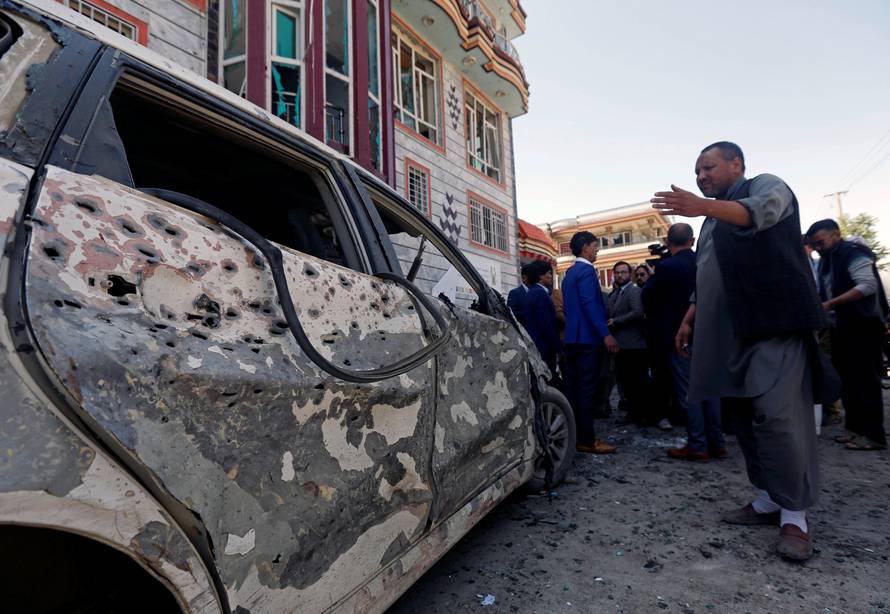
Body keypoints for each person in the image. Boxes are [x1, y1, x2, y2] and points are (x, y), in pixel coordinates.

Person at [651, 141, 825, 562]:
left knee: (780, 417)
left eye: (708, 167)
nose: (701, 177)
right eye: (697, 172)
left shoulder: (765, 185)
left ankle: (795, 516)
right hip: (729, 335)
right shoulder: (713, 219)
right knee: (744, 419)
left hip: (773, 324)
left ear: (736, 164)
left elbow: (760, 213)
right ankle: (767, 498)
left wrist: (701, 207)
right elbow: (710, 273)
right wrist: (689, 318)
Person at [643, 223, 725, 460]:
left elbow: (649, 298)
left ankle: (697, 444)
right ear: (692, 240)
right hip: (708, 333)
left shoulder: (666, 267)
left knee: (689, 392)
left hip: (680, 335)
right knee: (711, 390)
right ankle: (717, 442)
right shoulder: (704, 262)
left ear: (668, 242)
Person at [807, 218, 888, 451]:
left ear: (836, 235)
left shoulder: (853, 253)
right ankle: (855, 430)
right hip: (841, 327)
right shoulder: (827, 260)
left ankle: (873, 436)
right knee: (848, 382)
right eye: (814, 244)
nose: (818, 248)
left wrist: (831, 304)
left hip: (863, 327)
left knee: (865, 382)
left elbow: (867, 286)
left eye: (821, 242)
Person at [561, 231, 619, 454]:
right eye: (595, 246)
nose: (597, 250)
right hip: (587, 338)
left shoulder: (569, 273)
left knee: (574, 389)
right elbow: (589, 304)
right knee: (586, 390)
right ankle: (587, 439)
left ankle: (575, 436)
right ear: (585, 247)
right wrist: (605, 334)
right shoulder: (586, 271)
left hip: (572, 338)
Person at [607, 261, 651, 426]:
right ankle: (633, 413)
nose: (620, 275)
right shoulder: (615, 294)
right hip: (621, 346)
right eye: (617, 272)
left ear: (629, 274)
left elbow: (637, 312)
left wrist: (616, 321)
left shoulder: (634, 291)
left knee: (638, 383)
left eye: (623, 272)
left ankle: (643, 415)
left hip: (634, 345)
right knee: (627, 384)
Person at [522, 260, 561, 376]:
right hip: (544, 348)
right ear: (540, 276)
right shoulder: (540, 294)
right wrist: (558, 347)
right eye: (548, 273)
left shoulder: (532, 292)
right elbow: (546, 324)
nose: (551, 276)